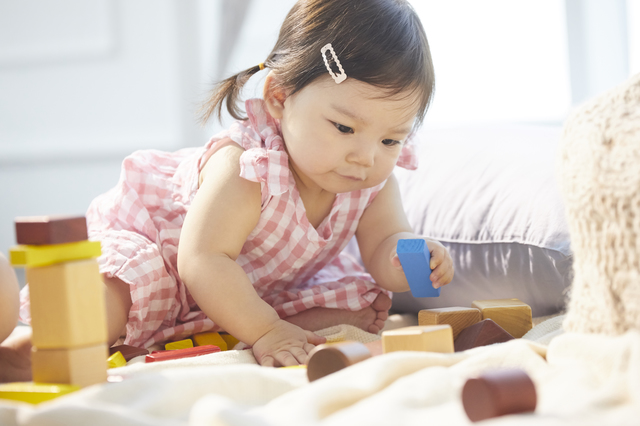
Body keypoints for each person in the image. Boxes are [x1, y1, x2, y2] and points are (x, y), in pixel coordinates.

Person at [8, 0, 453, 374]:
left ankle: (241, 325)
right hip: (169, 256)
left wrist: (411, 257)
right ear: (279, 99)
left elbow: (382, 252)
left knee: (365, 302)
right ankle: (33, 346)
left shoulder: (369, 182)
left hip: (246, 287)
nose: (366, 156)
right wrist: (266, 331)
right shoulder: (248, 167)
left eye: (391, 139)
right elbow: (201, 259)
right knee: (115, 297)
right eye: (344, 127)